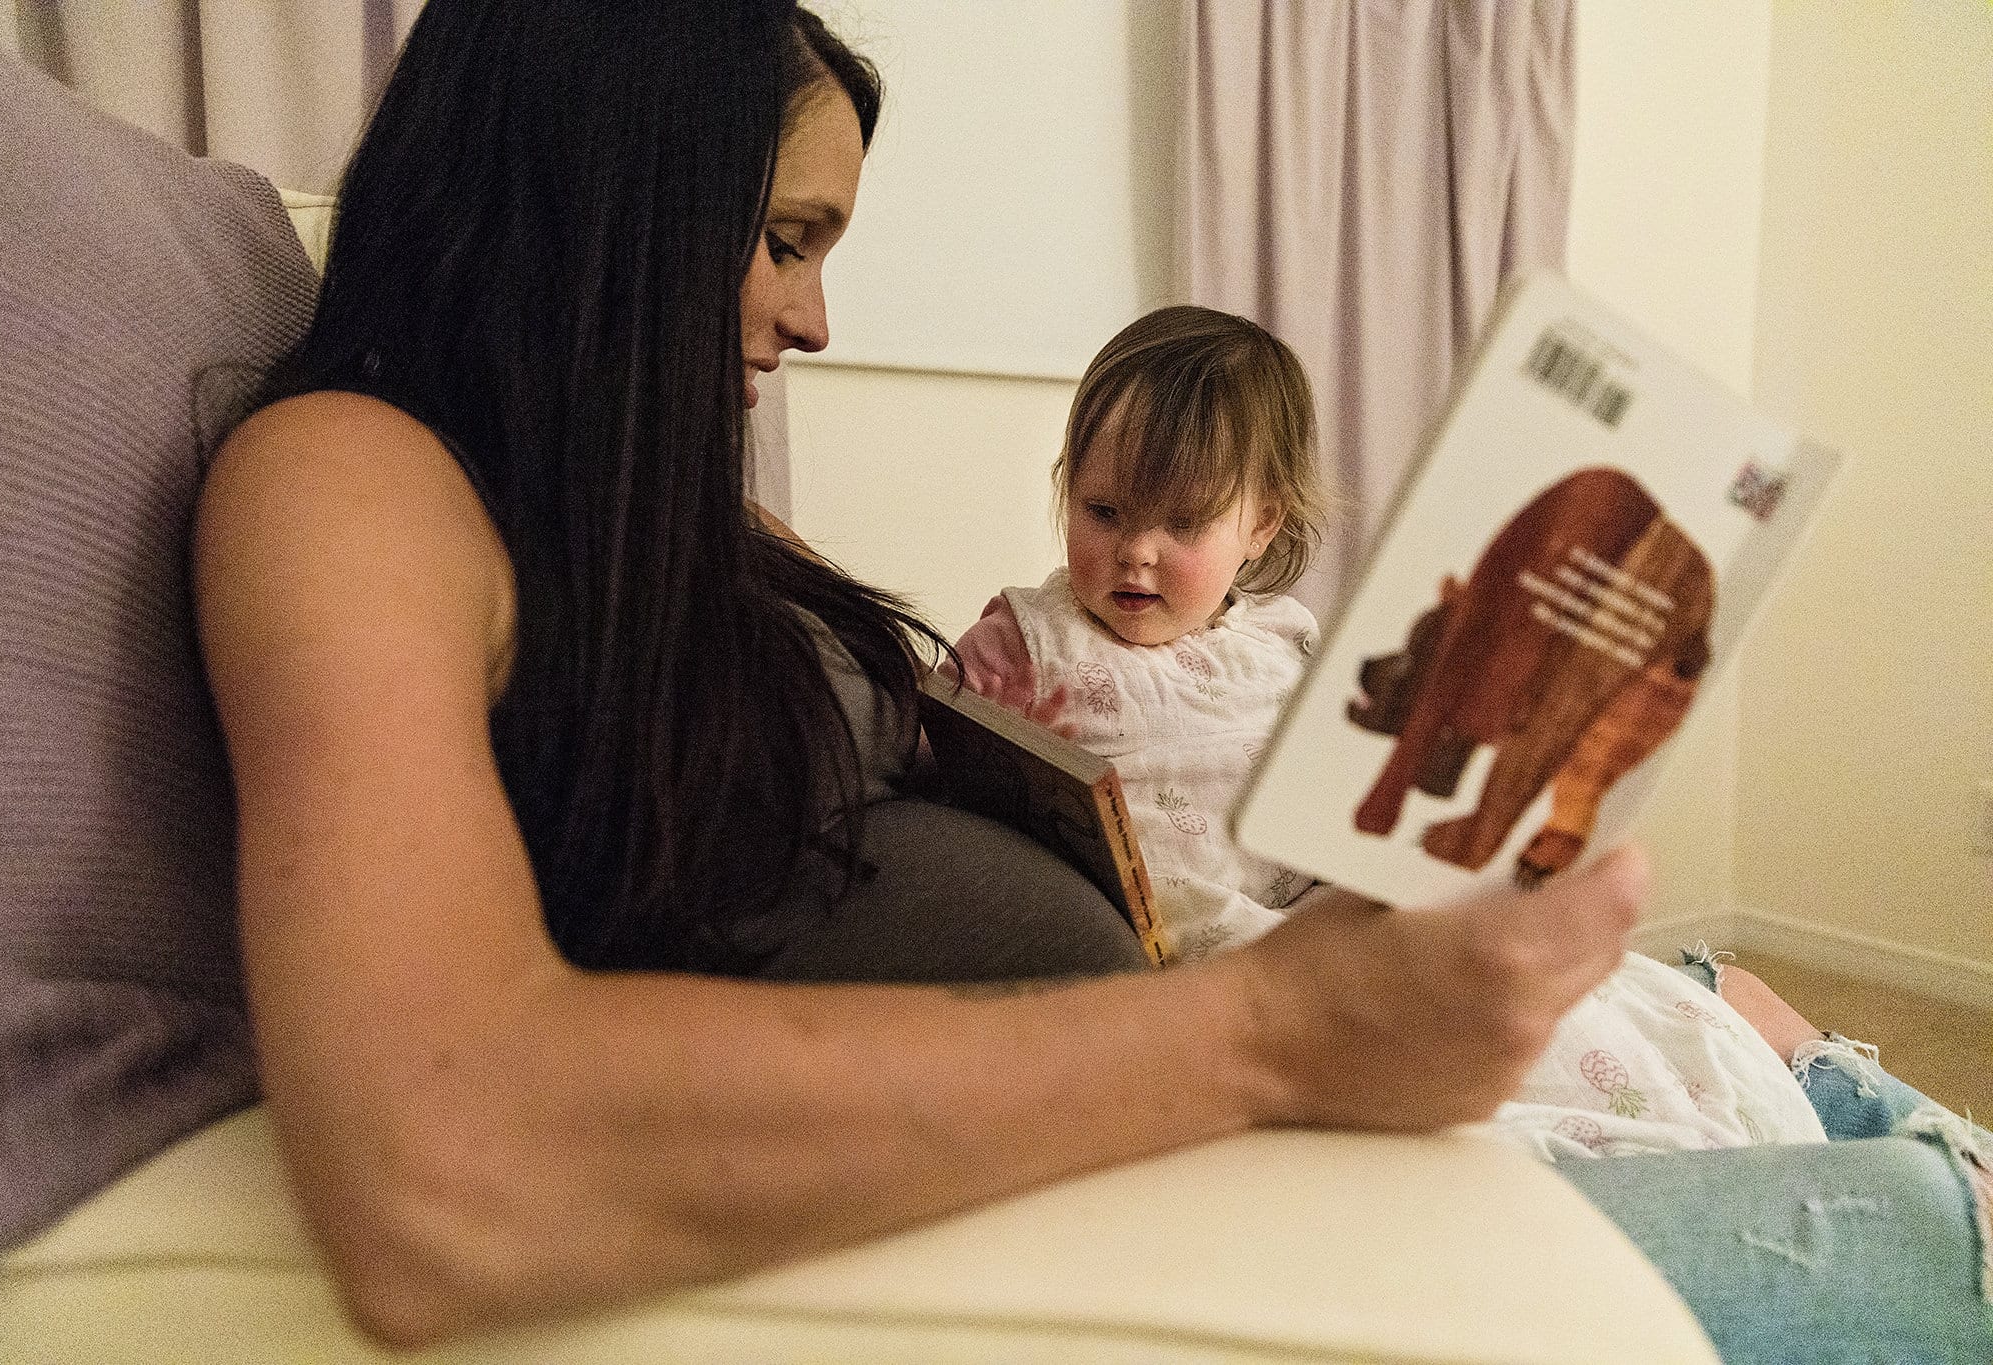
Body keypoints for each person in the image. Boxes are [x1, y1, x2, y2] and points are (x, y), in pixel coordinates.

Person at [186, 3, 1987, 1359]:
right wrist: (1274, 1031)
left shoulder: (602, 513)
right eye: (786, 238)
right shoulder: (352, 472)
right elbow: (439, 1154)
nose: (812, 320)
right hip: (1129, 1183)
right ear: (603, 201)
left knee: (1693, 1009)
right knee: (1922, 1236)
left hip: (1161, 1102)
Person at [948, 306, 1823, 1161]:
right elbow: (936, 729)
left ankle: (1845, 1107)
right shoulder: (1031, 641)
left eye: (1182, 523)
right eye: (1103, 510)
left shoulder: (1281, 642)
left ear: (1262, 526)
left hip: (1333, 918)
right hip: (1219, 966)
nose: (1135, 550)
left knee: (1603, 1014)